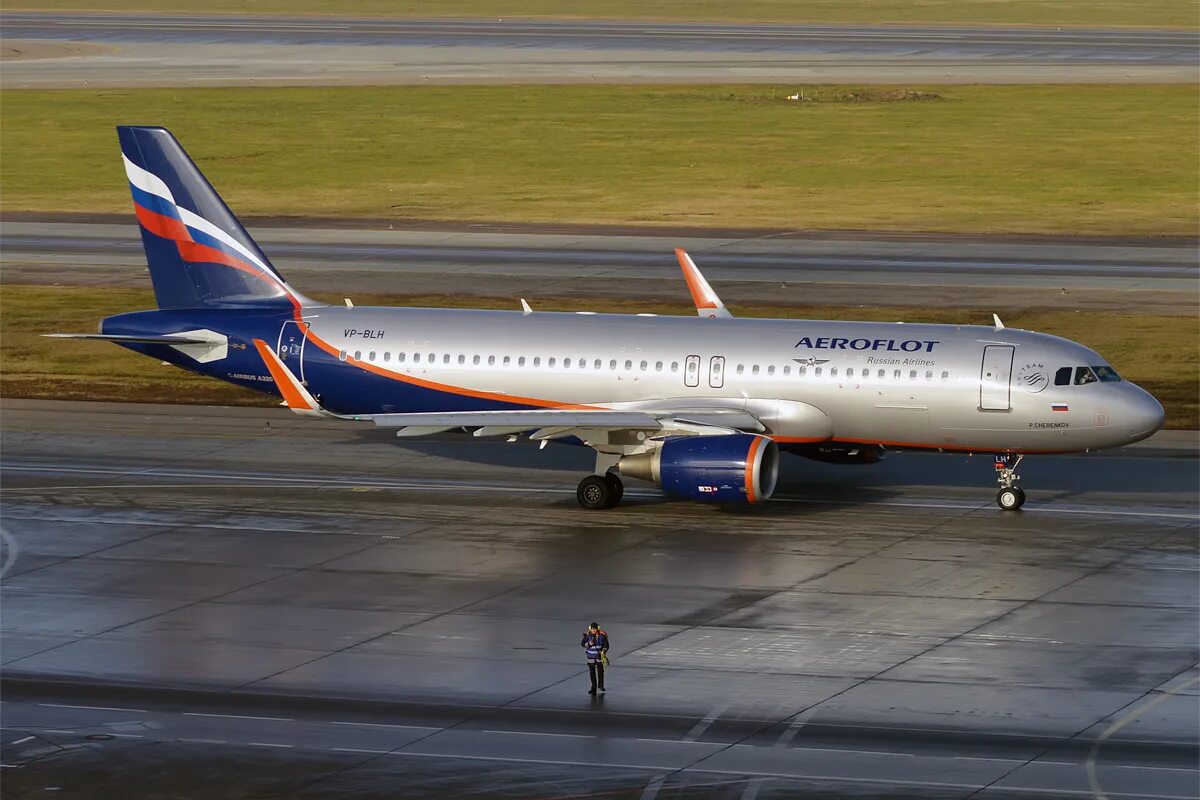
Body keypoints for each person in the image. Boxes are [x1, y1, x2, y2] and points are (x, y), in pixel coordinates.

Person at [580, 622, 609, 695]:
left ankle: (601, 686)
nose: (594, 630)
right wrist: (589, 644)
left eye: (595, 629)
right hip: (591, 658)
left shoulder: (602, 636)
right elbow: (583, 644)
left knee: (600, 672)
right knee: (592, 673)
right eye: (593, 629)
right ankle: (593, 687)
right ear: (590, 629)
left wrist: (604, 651)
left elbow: (606, 645)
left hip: (599, 657)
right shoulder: (587, 636)